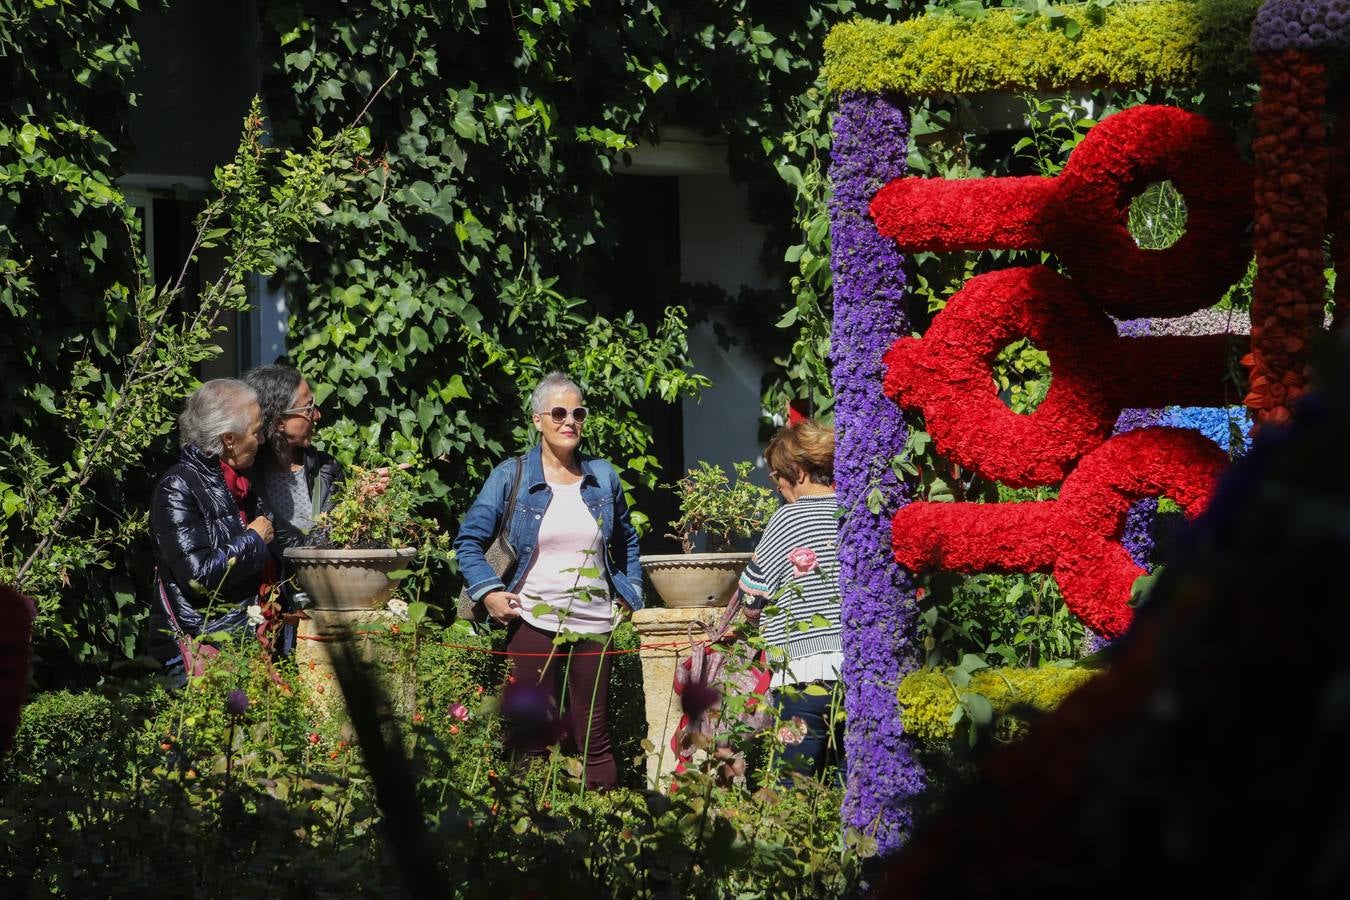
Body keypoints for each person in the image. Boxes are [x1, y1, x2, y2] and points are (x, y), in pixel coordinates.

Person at [453, 372, 643, 789]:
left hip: (594, 624)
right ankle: (524, 834)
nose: (569, 421)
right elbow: (468, 541)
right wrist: (489, 593)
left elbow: (627, 540)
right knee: (530, 734)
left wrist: (631, 593)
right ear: (538, 419)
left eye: (578, 413)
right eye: (558, 412)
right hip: (532, 622)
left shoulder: (603, 477)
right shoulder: (511, 476)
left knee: (593, 736)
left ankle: (601, 832)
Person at [148, 379, 279, 684]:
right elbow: (199, 577)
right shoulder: (177, 488)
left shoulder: (242, 482)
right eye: (256, 431)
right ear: (229, 439)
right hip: (206, 646)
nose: (261, 440)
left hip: (245, 643)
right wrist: (253, 540)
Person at [738, 419, 845, 782]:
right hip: (853, 676)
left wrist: (753, 617)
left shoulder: (788, 518)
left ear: (797, 472)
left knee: (793, 783)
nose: (778, 486)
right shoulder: (851, 514)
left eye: (776, 477)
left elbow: (752, 594)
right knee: (852, 782)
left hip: (800, 681)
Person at [242, 364, 343, 550]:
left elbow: (337, 537)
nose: (317, 415)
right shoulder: (245, 479)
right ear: (279, 421)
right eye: (308, 408)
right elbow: (289, 547)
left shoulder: (326, 468)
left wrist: (361, 494)